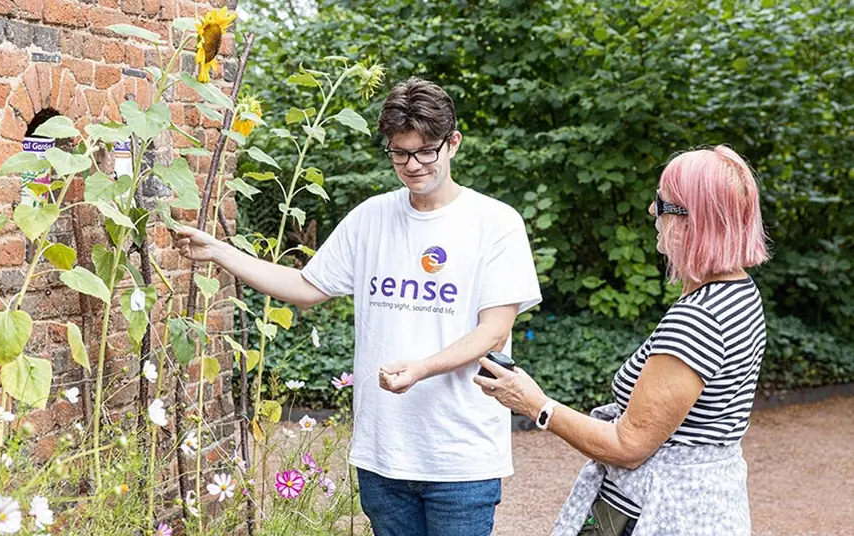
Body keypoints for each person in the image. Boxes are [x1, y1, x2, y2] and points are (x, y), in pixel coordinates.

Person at [175, 77, 541, 536]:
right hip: (382, 452)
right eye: (399, 153)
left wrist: (421, 369)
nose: (412, 165)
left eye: (426, 151)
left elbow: (493, 331)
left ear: (453, 143)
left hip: (459, 457)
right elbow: (308, 286)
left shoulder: (495, 223)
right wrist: (221, 253)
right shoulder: (371, 217)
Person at [474, 145, 769, 536]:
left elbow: (628, 446)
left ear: (691, 222)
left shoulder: (698, 318)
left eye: (662, 204)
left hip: (659, 514)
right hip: (709, 507)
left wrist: (536, 405)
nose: (652, 211)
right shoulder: (739, 291)